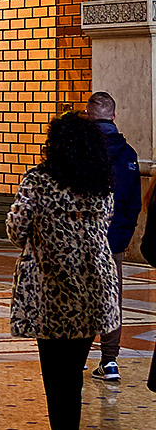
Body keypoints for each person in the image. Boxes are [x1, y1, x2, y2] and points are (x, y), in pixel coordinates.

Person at [6, 111, 119, 430]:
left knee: (57, 377)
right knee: (74, 374)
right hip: (93, 284)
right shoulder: (101, 181)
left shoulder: (39, 180)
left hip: (51, 287)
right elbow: (106, 224)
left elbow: (15, 227)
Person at [86, 91, 142, 380]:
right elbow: (135, 204)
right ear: (114, 116)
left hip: (83, 241)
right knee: (111, 299)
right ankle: (109, 361)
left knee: (79, 296)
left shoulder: (81, 151)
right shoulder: (130, 155)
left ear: (88, 116)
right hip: (114, 241)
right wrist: (123, 235)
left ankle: (76, 354)